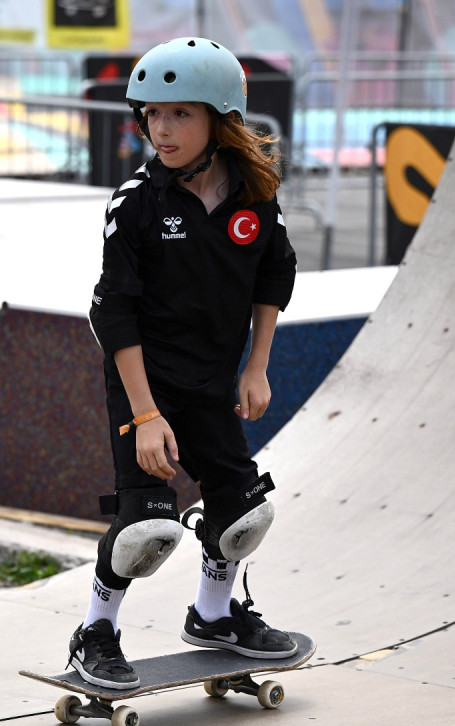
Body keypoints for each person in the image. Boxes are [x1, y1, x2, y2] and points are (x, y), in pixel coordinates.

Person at [69, 36, 298, 690]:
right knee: (146, 529)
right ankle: (94, 633)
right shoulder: (136, 203)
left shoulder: (255, 196)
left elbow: (274, 275)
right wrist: (145, 415)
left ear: (220, 119)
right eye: (152, 115)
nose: (161, 129)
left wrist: (256, 367)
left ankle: (214, 616)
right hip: (144, 383)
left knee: (242, 515)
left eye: (180, 114)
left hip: (212, 381)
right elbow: (112, 312)